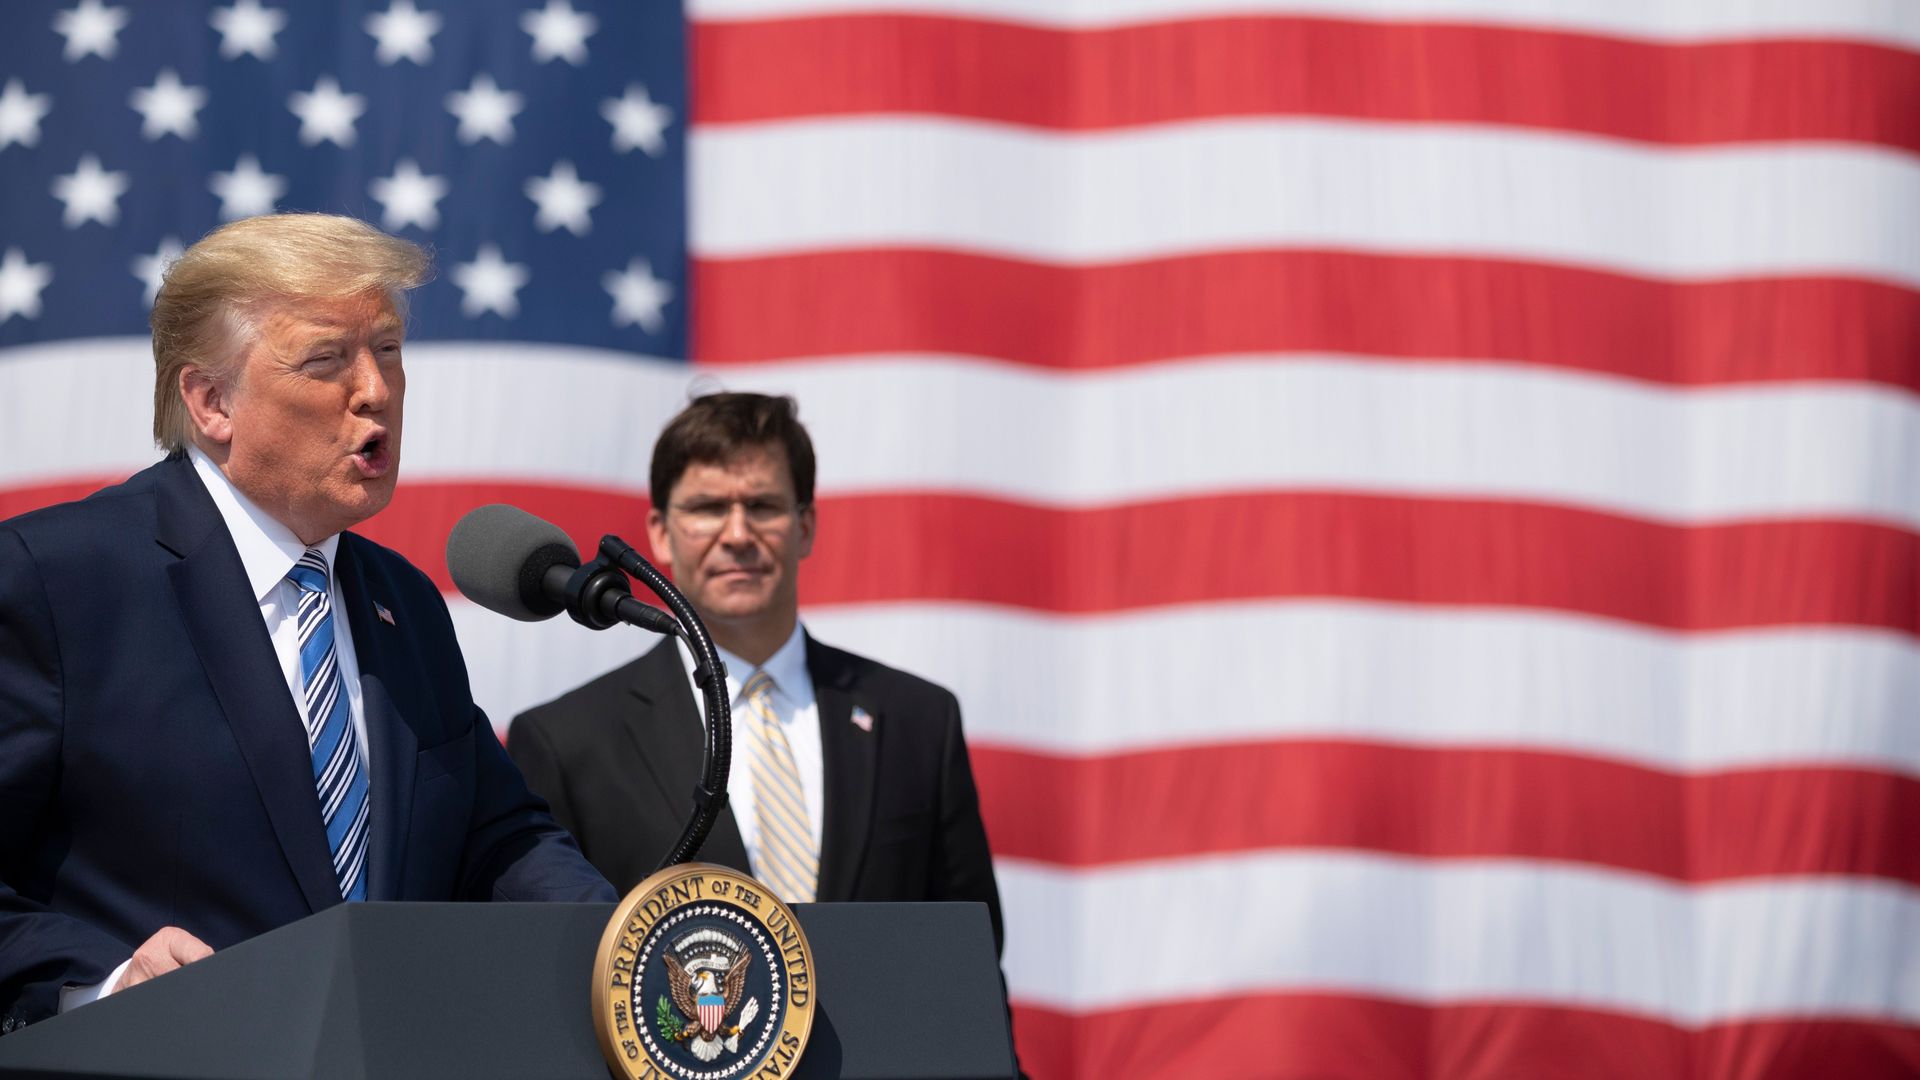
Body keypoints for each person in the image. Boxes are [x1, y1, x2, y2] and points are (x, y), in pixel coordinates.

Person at [0, 214, 613, 1033]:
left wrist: (626, 942)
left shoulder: (405, 603)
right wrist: (103, 984)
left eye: (388, 349)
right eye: (328, 359)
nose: (375, 389)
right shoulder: (56, 580)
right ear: (212, 401)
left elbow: (497, 840)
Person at [508, 392, 1007, 954]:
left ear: (807, 526)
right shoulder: (567, 742)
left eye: (764, 506)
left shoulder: (918, 721)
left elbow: (973, 961)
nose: (739, 534)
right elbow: (546, 968)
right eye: (708, 508)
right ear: (660, 533)